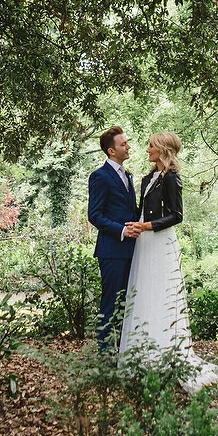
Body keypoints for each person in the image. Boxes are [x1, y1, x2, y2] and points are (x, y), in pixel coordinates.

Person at [118, 132, 218, 393]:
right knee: (144, 294)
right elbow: (142, 210)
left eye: (151, 146)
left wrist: (147, 226)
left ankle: (166, 354)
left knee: (162, 295)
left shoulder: (172, 178)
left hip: (160, 241)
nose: (147, 150)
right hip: (144, 242)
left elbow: (177, 215)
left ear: (163, 150)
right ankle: (144, 356)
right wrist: (136, 226)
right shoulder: (148, 178)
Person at [87, 125, 139, 351]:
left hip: (132, 249)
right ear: (111, 151)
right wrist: (122, 230)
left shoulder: (127, 175)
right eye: (123, 144)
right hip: (111, 250)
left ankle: (123, 350)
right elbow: (94, 215)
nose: (128, 147)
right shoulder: (99, 176)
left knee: (127, 302)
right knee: (110, 303)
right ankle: (105, 353)